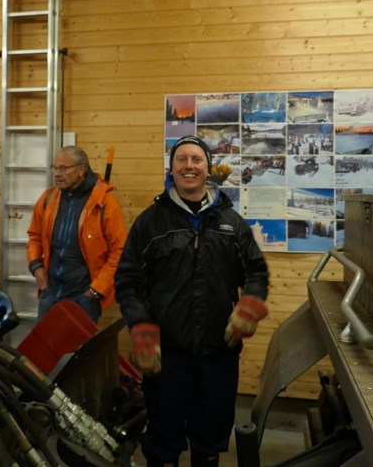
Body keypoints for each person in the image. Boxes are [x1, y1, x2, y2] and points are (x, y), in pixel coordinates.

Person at [115, 135, 269, 467]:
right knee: (163, 444)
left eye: (197, 160)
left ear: (208, 168)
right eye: (182, 159)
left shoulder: (231, 223)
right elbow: (128, 279)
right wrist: (140, 324)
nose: (189, 166)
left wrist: (250, 305)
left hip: (218, 356)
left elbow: (256, 272)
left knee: (209, 443)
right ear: (172, 169)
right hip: (166, 358)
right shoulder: (150, 222)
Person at [26, 146, 127, 324]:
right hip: (50, 293)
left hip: (84, 298)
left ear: (81, 170)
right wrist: (36, 266)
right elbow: (34, 236)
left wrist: (95, 291)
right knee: (43, 350)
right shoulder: (48, 198)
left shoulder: (105, 203)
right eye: (55, 168)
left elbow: (119, 252)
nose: (57, 173)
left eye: (63, 168)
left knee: (78, 352)